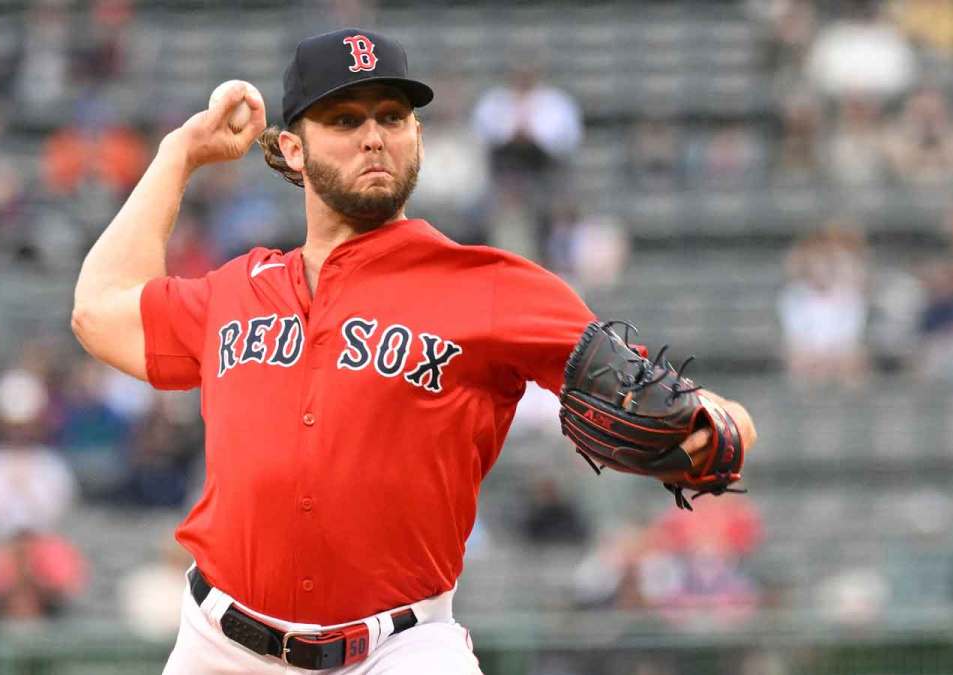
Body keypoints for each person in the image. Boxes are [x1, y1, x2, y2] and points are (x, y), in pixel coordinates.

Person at [71, 28, 757, 674]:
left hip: (399, 650)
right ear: (291, 150)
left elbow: (690, 409)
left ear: (417, 136)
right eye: (344, 120)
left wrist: (714, 429)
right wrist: (179, 154)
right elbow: (98, 311)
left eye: (392, 117)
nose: (373, 137)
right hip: (222, 645)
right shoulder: (235, 289)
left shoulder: (488, 284)